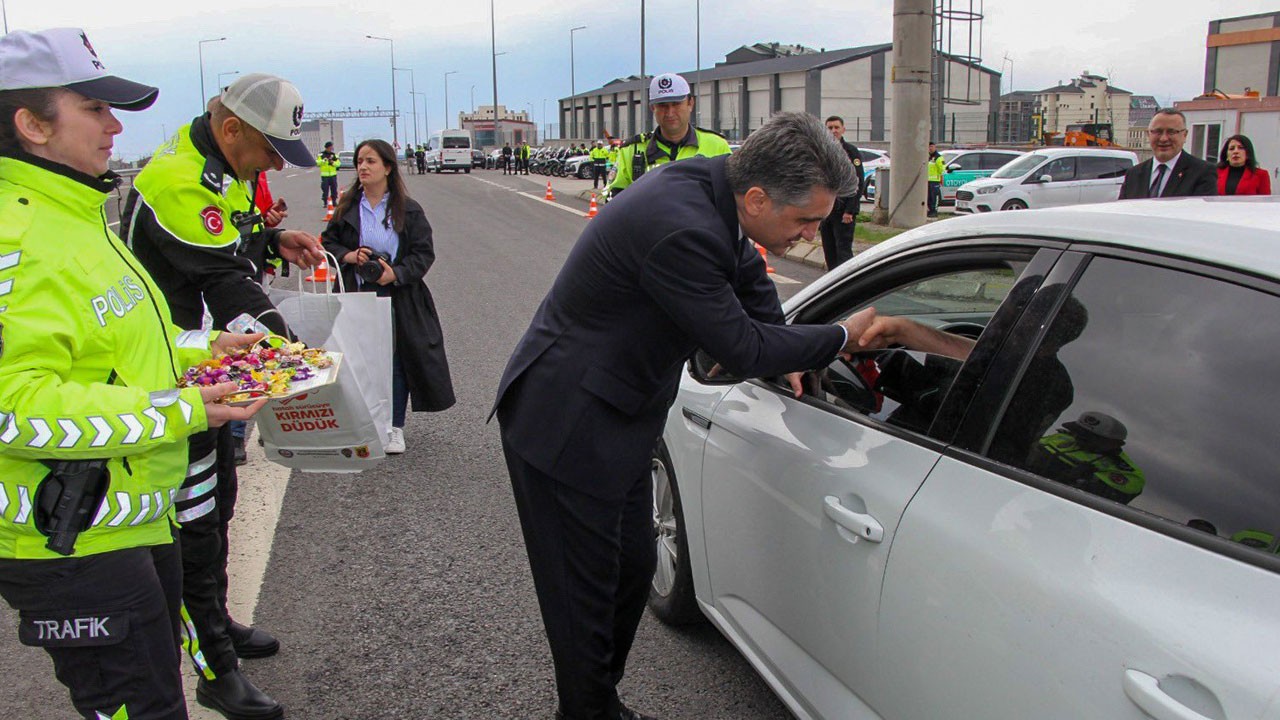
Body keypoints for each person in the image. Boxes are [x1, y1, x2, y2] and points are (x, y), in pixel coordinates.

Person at [492, 112, 872, 720]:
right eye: (805, 220)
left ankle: (595, 703)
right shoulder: (682, 227)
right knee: (582, 595)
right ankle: (587, 710)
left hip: (615, 416)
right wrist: (837, 337)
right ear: (756, 198)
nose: (808, 236)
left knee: (633, 565)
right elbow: (739, 348)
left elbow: (748, 280)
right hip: (567, 423)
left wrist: (785, 341)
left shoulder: (715, 192)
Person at [0, 27, 268, 720]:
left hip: (133, 517)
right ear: (31, 124)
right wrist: (181, 411)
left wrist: (204, 353)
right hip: (75, 540)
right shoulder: (14, 236)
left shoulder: (75, 209)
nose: (116, 125)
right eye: (93, 108)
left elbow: (121, 343)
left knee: (158, 697)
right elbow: (15, 406)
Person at [122, 72, 326, 720]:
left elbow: (229, 245)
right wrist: (299, 359)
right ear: (231, 126)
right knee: (196, 525)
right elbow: (226, 283)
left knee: (222, 504)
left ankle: (217, 621)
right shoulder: (179, 177)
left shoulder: (220, 163)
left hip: (207, 368)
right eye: (269, 150)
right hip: (165, 378)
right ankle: (213, 667)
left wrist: (273, 241)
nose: (273, 165)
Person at [320, 139, 455, 455]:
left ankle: (393, 426)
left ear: (388, 167)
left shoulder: (408, 209)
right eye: (359, 161)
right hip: (356, 293)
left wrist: (395, 273)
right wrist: (351, 256)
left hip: (398, 295)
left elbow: (424, 253)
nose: (363, 167)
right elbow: (328, 243)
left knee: (395, 362)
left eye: (371, 161)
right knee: (359, 360)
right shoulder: (347, 207)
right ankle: (363, 422)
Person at [607, 72, 731, 197]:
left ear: (690, 103)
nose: (670, 112)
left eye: (676, 104)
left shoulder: (717, 146)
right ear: (652, 108)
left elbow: (732, 197)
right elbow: (612, 200)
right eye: (662, 106)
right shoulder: (631, 150)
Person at [1025, 412, 1145, 505]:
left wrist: (1080, 479)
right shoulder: (1061, 438)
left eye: (1087, 437)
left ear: (1112, 443)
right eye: (1077, 432)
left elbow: (1098, 501)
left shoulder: (1128, 474)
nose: (1077, 438)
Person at [1119, 108, 1216, 199]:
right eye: (1158, 132)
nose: (1164, 139)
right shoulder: (1133, 174)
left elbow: (1199, 213)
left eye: (1171, 132)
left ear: (1185, 135)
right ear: (1148, 134)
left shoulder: (1203, 172)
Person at [819, 116, 865, 271]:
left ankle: (846, 283)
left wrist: (850, 210)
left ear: (843, 129)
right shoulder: (821, 151)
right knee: (829, 251)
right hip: (826, 211)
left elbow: (858, 182)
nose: (833, 131)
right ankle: (832, 284)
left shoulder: (850, 152)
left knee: (843, 251)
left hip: (843, 211)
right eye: (830, 128)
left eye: (836, 127)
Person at [317, 140, 340, 207]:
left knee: (334, 189)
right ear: (327, 147)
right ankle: (325, 202)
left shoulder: (334, 155)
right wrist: (323, 161)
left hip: (333, 175)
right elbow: (318, 163)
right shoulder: (321, 155)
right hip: (325, 176)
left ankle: (334, 201)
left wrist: (333, 162)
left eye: (332, 147)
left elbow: (338, 164)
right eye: (330, 147)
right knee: (325, 189)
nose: (331, 148)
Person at [926, 142, 945, 217]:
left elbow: (942, 169)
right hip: (927, 181)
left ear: (935, 147)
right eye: (929, 147)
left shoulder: (938, 157)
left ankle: (934, 211)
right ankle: (930, 210)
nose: (930, 148)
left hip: (935, 181)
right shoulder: (928, 157)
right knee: (928, 197)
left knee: (934, 197)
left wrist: (941, 178)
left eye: (931, 146)